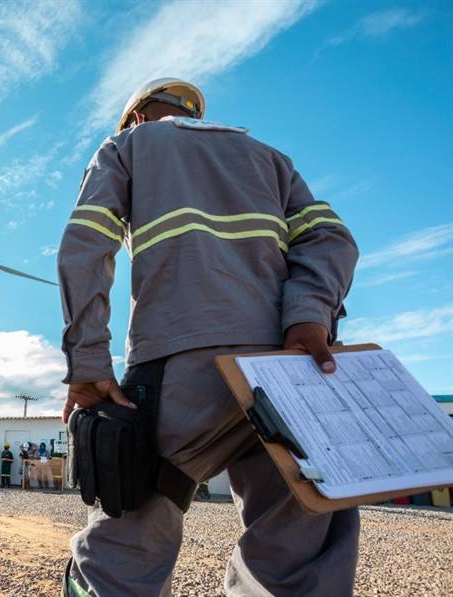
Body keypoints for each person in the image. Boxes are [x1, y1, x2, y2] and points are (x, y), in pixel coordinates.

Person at [58, 77, 359, 596]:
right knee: (294, 553)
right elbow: (331, 238)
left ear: (135, 118)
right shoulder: (269, 157)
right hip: (288, 371)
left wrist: (87, 363)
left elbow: (87, 244)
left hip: (180, 365)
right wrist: (307, 318)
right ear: (196, 115)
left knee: (127, 535)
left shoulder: (128, 146)